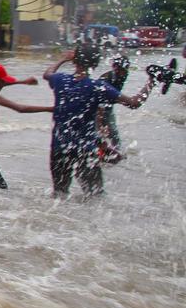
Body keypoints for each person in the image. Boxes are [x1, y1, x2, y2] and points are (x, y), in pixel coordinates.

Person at [43, 44, 153, 198]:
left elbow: (47, 74)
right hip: (85, 151)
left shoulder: (60, 80)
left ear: (74, 61)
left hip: (60, 149)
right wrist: (151, 81)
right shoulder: (99, 87)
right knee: (96, 197)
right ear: (95, 64)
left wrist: (63, 59)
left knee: (59, 195)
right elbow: (134, 103)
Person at [97, 55, 130, 163]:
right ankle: (98, 154)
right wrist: (101, 122)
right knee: (99, 131)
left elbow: (115, 96)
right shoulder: (106, 79)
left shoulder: (123, 76)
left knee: (113, 131)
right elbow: (99, 101)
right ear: (115, 67)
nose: (124, 72)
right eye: (122, 69)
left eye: (126, 69)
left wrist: (122, 101)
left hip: (108, 106)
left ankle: (117, 152)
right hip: (97, 107)